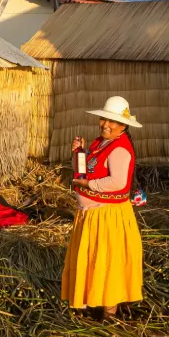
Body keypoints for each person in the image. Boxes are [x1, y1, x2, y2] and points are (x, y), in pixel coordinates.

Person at [61, 95, 144, 319]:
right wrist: (78, 153)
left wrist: (88, 185)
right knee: (92, 261)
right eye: (104, 119)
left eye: (112, 121)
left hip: (108, 217)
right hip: (91, 216)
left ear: (123, 126)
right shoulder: (100, 143)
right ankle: (91, 302)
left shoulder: (120, 149)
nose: (105, 124)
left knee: (108, 263)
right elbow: (84, 172)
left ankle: (110, 316)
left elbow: (118, 182)